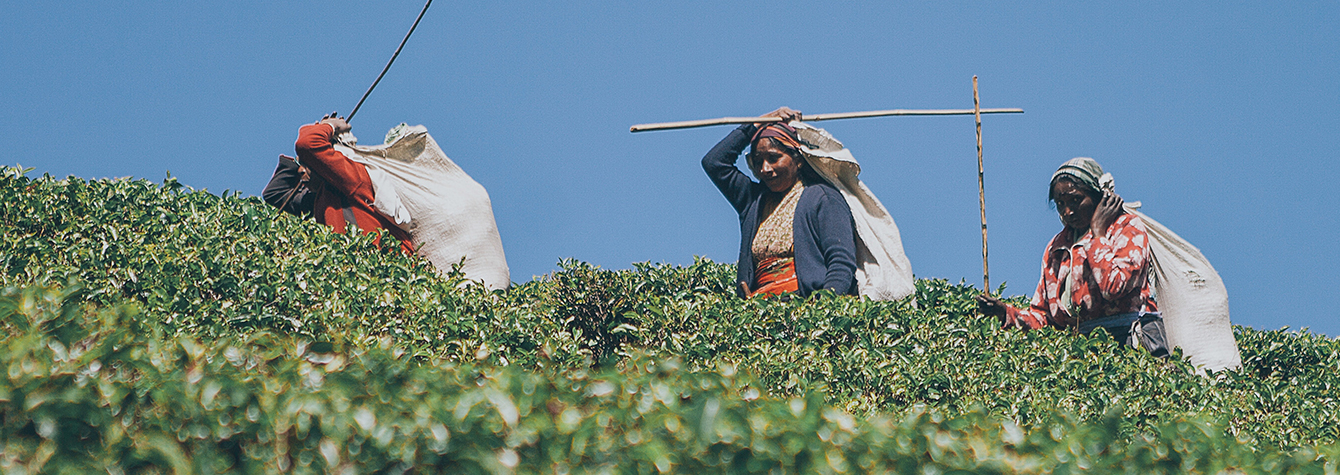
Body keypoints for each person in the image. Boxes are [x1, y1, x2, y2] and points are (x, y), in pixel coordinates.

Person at [976, 157, 1168, 356]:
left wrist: (1098, 233)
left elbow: (1114, 286)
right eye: (1060, 203)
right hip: (1083, 354)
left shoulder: (1126, 229)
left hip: (1131, 343)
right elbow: (1044, 319)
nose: (1067, 212)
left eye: (1076, 200)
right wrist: (1004, 313)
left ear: (1099, 197)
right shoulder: (1057, 248)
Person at [702, 107, 858, 298]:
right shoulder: (753, 201)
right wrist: (755, 124)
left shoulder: (822, 198)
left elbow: (841, 263)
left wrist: (821, 307)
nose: (765, 169)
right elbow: (714, 162)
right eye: (758, 161)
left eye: (774, 158)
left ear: (798, 160)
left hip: (805, 308)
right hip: (759, 314)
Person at [265, 112, 414, 253]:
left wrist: (330, 125)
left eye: (307, 164)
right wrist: (296, 160)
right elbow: (275, 193)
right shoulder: (322, 200)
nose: (300, 171)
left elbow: (308, 143)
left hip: (384, 268)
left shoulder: (352, 177)